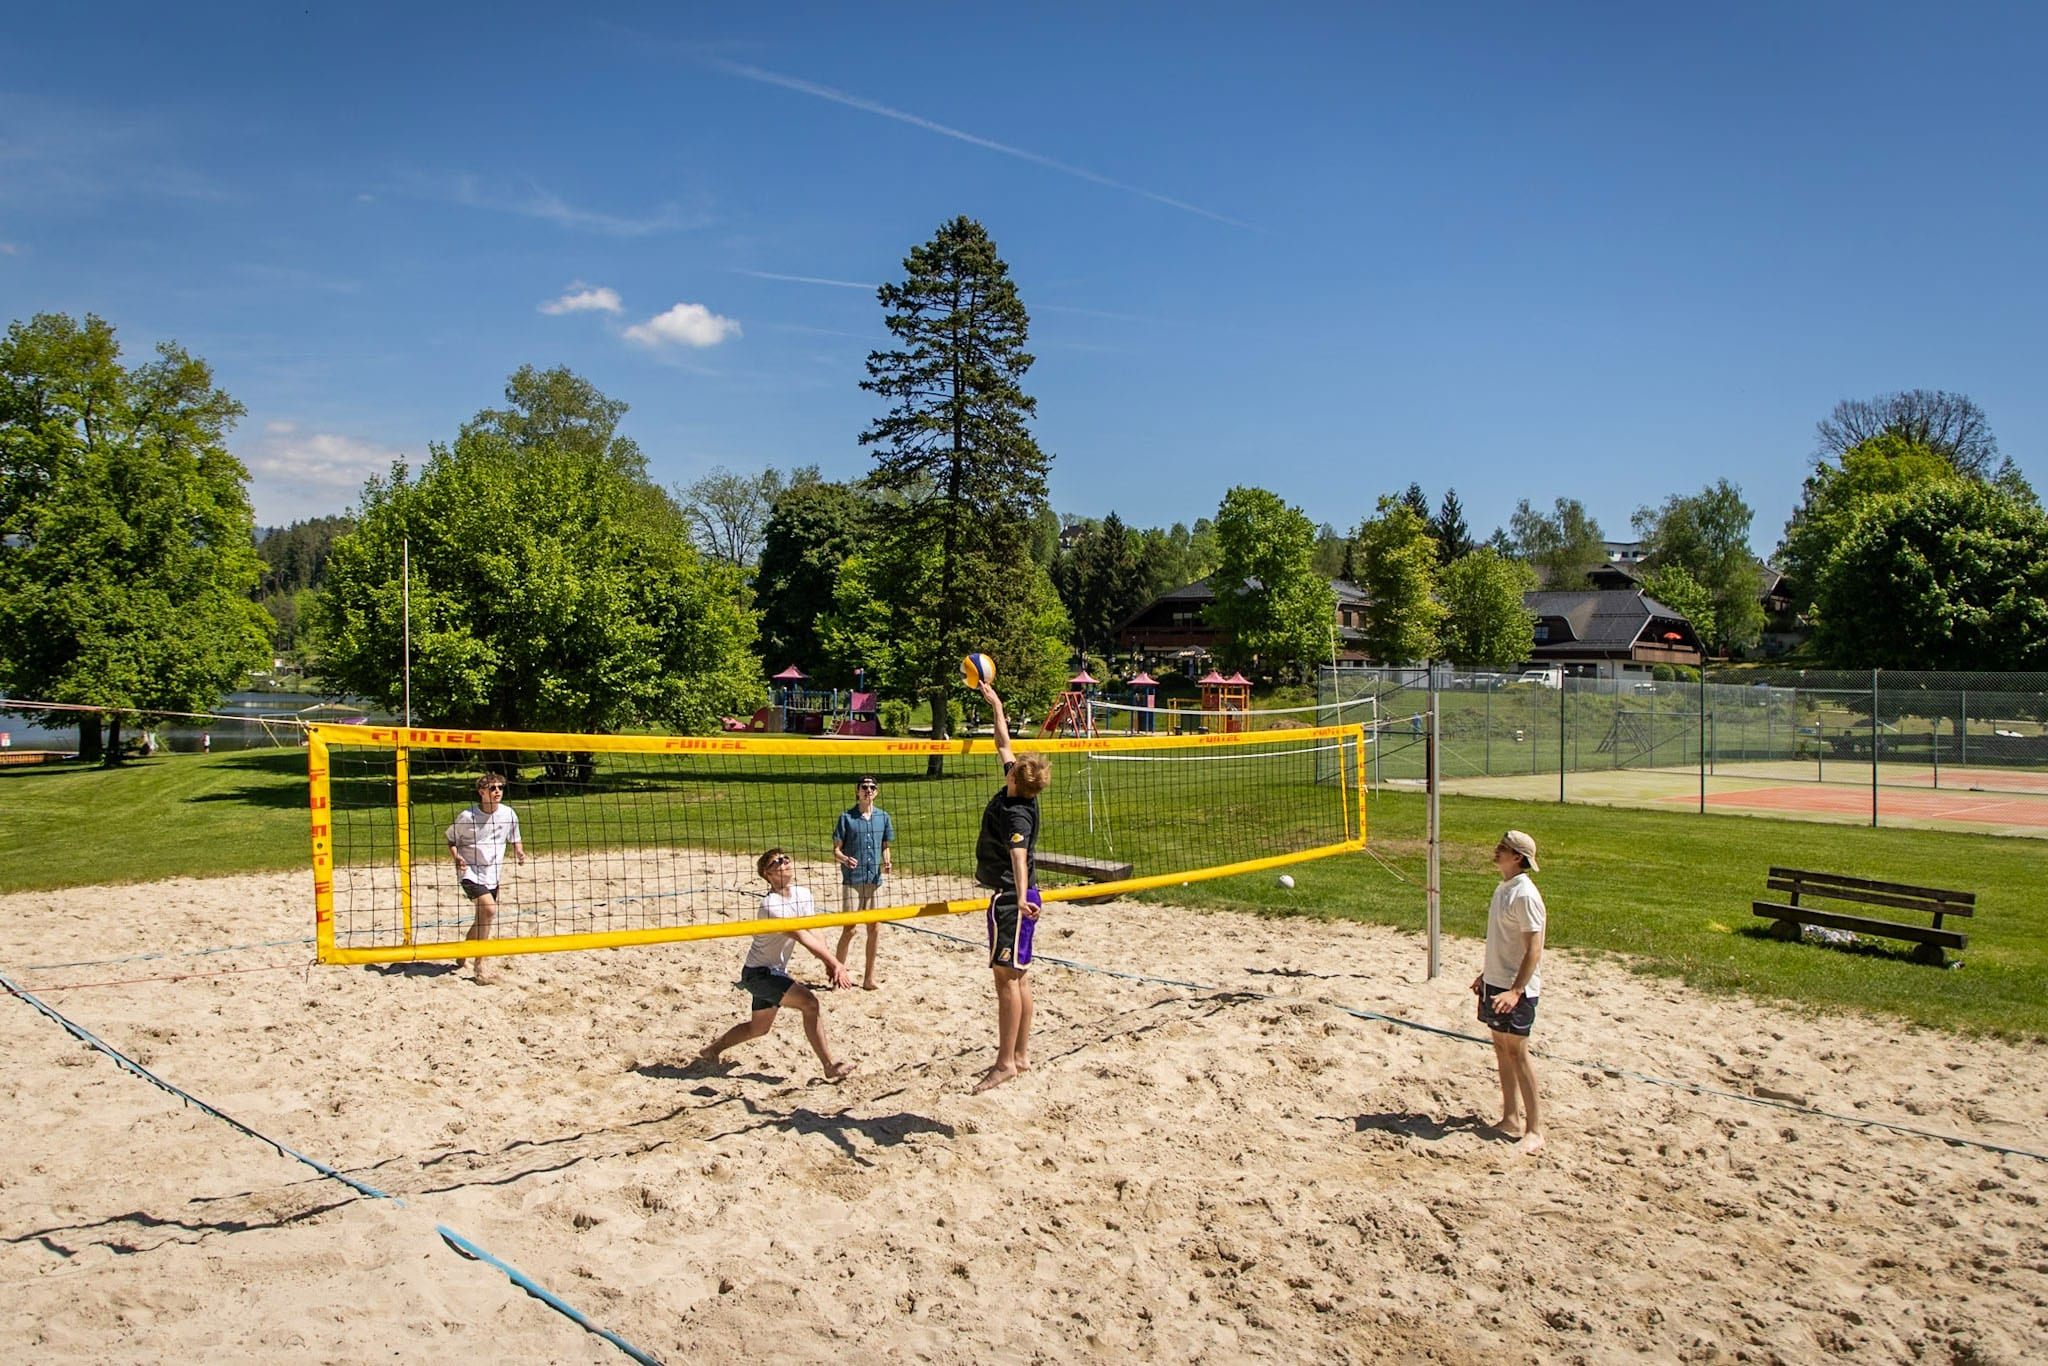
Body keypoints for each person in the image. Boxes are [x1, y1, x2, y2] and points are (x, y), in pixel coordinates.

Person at [697, 848, 855, 1080]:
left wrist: (829, 964)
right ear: (767, 874)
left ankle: (711, 1050)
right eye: (776, 862)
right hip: (759, 975)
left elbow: (813, 929)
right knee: (810, 1004)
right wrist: (835, 963)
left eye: (785, 858)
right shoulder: (771, 906)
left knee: (758, 1028)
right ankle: (829, 1065)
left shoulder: (803, 894)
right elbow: (801, 936)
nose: (784, 862)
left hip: (773, 972)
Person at [971, 678, 1052, 1094]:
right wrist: (996, 705)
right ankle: (1019, 1056)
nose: (1011, 760)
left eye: (1015, 764)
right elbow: (1003, 742)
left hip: (1011, 900)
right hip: (1014, 898)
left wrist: (1019, 898)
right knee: (1019, 978)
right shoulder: (1015, 786)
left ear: (1018, 780)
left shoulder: (1017, 812)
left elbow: (1019, 857)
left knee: (1008, 980)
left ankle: (1005, 1063)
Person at [1471, 829, 1548, 1153]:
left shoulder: (1525, 895)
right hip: (1496, 982)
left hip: (1517, 989)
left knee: (1518, 1053)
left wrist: (1516, 991)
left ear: (1517, 857)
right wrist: (1486, 975)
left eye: (1502, 848)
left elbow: (1533, 949)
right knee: (1502, 1050)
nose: (1496, 850)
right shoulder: (1504, 887)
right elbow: (1505, 943)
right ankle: (1510, 1118)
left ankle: (1535, 1130)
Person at [446, 772, 526, 984]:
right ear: (481, 792)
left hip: (492, 872)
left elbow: (515, 837)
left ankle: (463, 951)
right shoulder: (467, 817)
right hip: (470, 871)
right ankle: (480, 966)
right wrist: (457, 857)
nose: (497, 791)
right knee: (489, 910)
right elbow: (451, 840)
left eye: (500, 787)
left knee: (482, 918)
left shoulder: (508, 814)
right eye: (492, 788)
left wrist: (519, 851)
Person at [832, 775, 895, 990]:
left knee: (874, 928)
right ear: (857, 791)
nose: (868, 790)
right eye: (864, 787)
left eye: (872, 787)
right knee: (849, 929)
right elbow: (836, 850)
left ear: (876, 792)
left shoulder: (883, 817)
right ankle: (837, 974)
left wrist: (887, 861)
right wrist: (844, 859)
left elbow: (885, 846)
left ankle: (868, 979)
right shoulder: (846, 817)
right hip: (853, 880)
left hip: (874, 881)